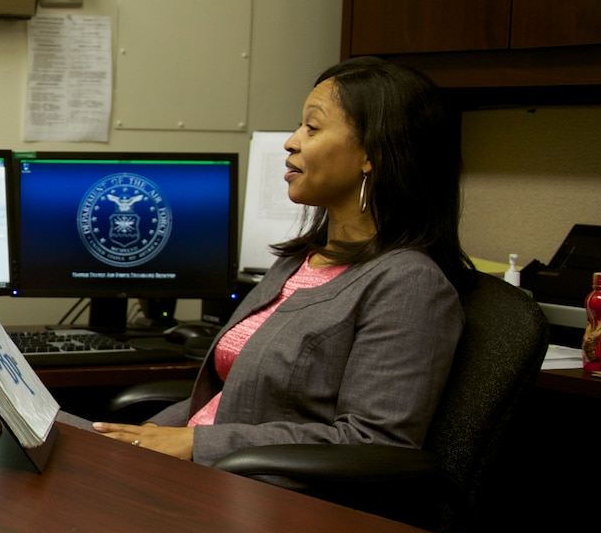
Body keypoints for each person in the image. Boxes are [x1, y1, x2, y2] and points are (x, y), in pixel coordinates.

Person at [92, 56, 471, 464]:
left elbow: (374, 443)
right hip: (212, 471)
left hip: (270, 497)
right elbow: (227, 400)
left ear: (373, 153)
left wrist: (192, 444)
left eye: (312, 127)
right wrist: (141, 436)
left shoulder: (408, 283)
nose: (291, 141)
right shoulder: (300, 262)